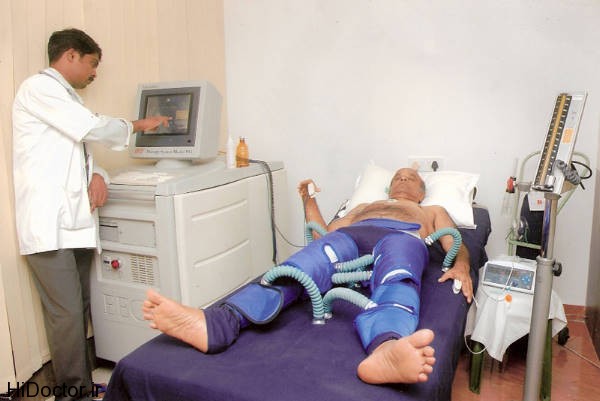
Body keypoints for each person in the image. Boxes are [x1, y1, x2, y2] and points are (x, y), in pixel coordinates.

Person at [142, 168, 473, 384]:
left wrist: (461, 265)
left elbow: (454, 242)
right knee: (299, 267)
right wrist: (308, 200)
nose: (402, 180)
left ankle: (387, 347)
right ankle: (219, 323)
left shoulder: (431, 210)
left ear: (421, 191)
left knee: (399, 276)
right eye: (398, 176)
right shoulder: (362, 207)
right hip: (350, 237)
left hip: (402, 237)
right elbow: (323, 237)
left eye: (410, 178)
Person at [12, 28, 171, 401]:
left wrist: (100, 175)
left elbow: (77, 153)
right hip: (48, 225)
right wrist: (138, 125)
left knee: (79, 308)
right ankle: (73, 393)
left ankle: (81, 383)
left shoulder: (65, 100)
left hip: (73, 223)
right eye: (92, 63)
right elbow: (91, 128)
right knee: (66, 314)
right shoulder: (39, 89)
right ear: (70, 55)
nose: (95, 73)